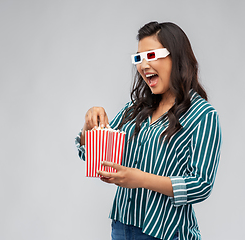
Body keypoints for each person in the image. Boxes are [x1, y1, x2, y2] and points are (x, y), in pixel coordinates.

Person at [75, 21, 222, 240]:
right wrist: (89, 131)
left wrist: (141, 179)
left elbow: (201, 185)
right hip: (122, 227)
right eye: (138, 58)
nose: (143, 65)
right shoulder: (135, 109)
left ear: (177, 57)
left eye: (151, 56)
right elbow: (98, 158)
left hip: (166, 231)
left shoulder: (203, 115)